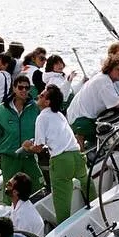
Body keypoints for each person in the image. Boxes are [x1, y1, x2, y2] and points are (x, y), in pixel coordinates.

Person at [26, 83, 88, 225]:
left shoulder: (42, 117)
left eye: (41, 95)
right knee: (87, 186)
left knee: (61, 204)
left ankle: (64, 230)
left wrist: (28, 147)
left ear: (47, 102)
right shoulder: (59, 115)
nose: (37, 96)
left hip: (61, 162)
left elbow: (39, 148)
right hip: (77, 156)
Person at [0, 73, 40, 188]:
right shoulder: (1, 110)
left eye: (27, 88)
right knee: (11, 194)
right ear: (14, 88)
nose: (24, 90)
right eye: (20, 87)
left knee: (38, 190)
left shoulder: (35, 108)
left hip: (29, 158)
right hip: (9, 160)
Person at [68, 55, 119, 140]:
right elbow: (116, 104)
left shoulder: (102, 77)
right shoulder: (104, 82)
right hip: (80, 120)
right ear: (109, 68)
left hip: (75, 115)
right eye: (117, 69)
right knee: (107, 130)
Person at [6, 172, 45, 237]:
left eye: (9, 184)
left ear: (15, 192)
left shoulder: (23, 215)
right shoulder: (16, 205)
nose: (6, 185)